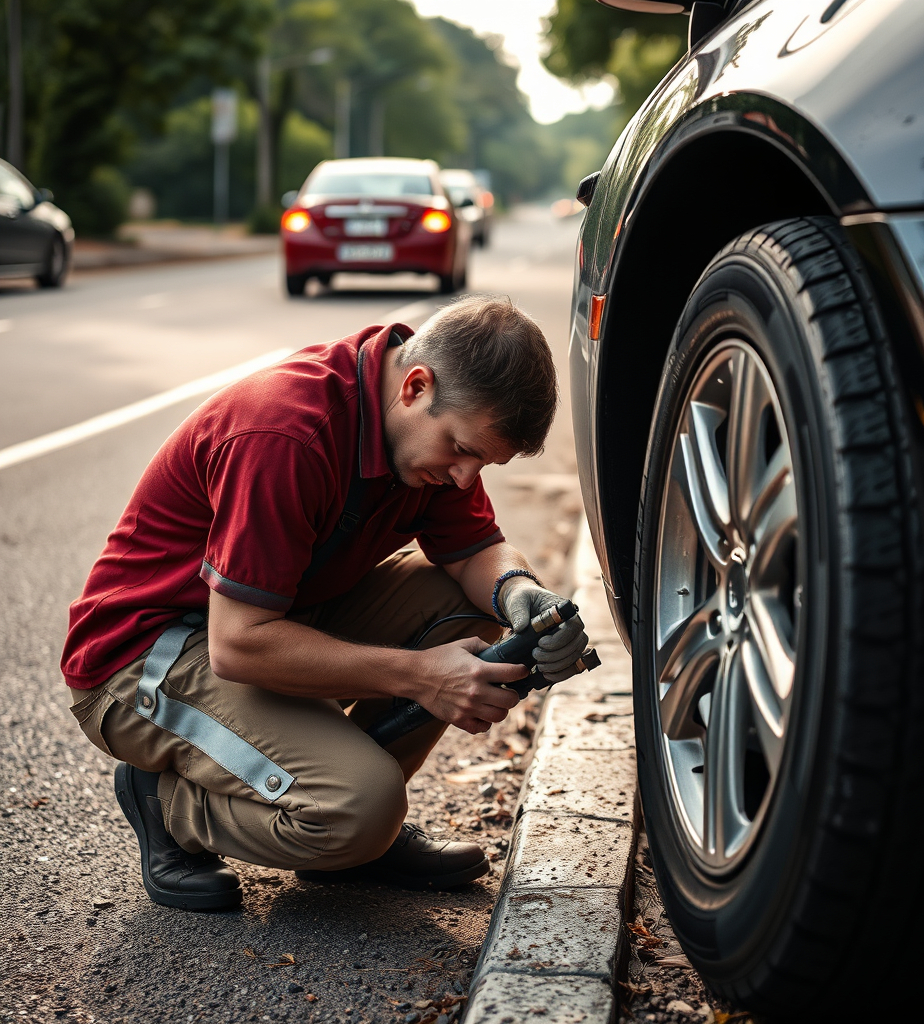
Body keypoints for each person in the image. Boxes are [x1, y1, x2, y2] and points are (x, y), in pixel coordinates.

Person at [60, 296, 589, 911]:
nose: (466, 477)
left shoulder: (419, 436)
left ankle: (345, 826)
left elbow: (475, 552)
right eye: (461, 450)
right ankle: (176, 805)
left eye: (484, 463)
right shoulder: (286, 434)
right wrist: (423, 676)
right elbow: (238, 644)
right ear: (416, 386)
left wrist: (519, 592)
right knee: (363, 808)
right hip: (146, 659)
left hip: (272, 623)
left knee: (463, 605)